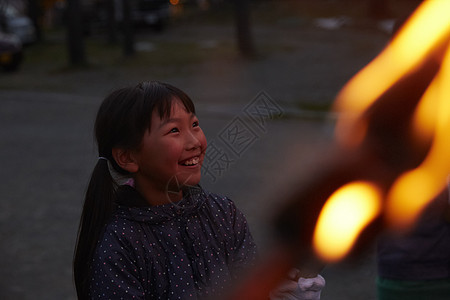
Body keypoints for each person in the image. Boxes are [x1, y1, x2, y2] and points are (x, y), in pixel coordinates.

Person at [73, 81, 325, 299]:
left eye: (194, 124)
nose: (195, 142)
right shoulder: (118, 245)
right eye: (174, 130)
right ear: (127, 157)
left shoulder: (224, 214)